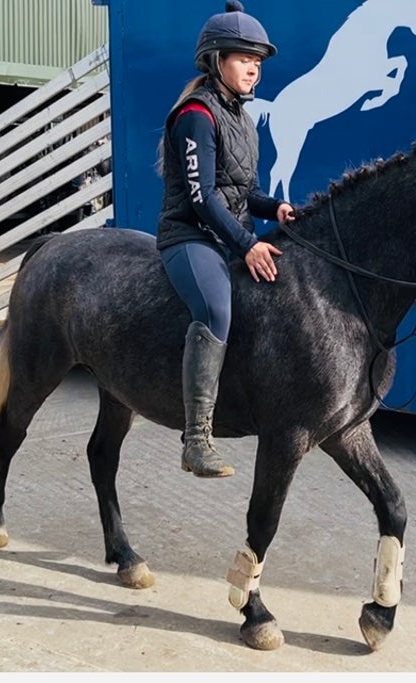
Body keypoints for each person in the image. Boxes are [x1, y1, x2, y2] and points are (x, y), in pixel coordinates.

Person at [156, 0, 295, 478]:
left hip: (226, 235)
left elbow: (245, 191)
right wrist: (246, 244)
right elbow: (203, 199)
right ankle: (196, 439)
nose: (253, 69)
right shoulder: (198, 114)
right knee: (215, 308)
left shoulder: (243, 119)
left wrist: (274, 206)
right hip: (189, 237)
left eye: (257, 62)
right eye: (243, 58)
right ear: (216, 60)